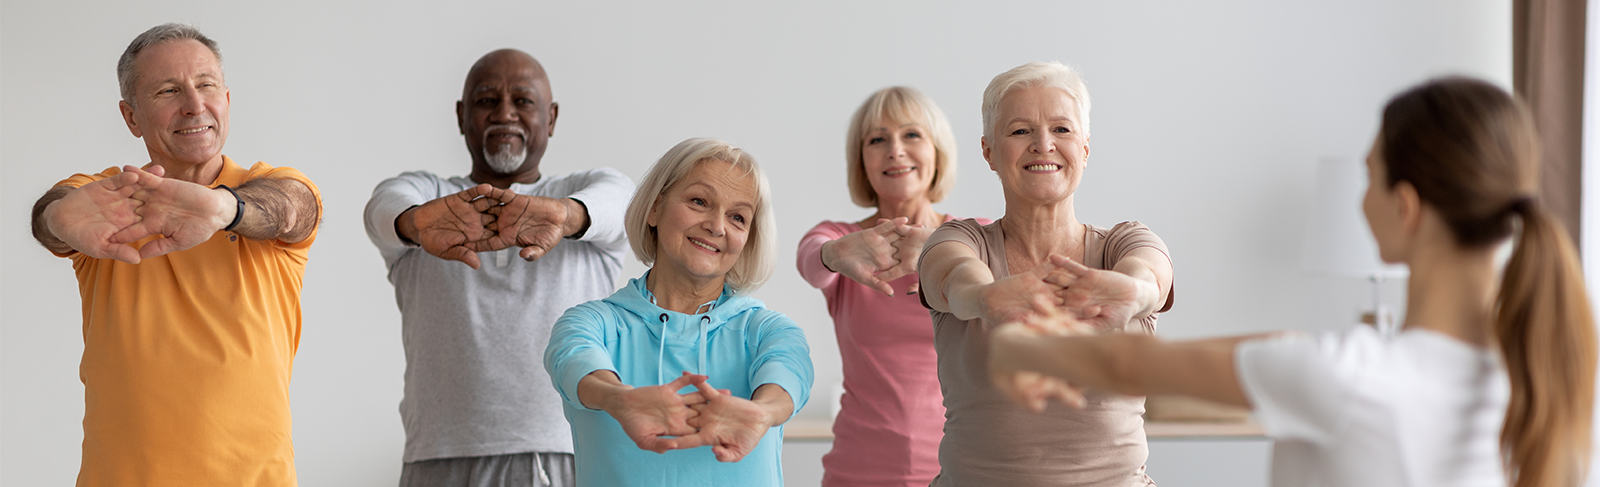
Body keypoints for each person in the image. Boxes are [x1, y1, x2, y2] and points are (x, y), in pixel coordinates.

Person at [988, 77, 1597, 487]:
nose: (1362, 200)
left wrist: (1018, 346)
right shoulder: (1549, 377)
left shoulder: (1345, 378)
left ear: (1405, 207)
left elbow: (1128, 363)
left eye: (1370, 176)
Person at [28, 23, 322, 486]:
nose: (194, 104)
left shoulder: (269, 188)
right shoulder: (107, 199)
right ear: (131, 117)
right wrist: (54, 218)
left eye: (207, 85)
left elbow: (294, 208)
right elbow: (56, 212)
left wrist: (225, 208)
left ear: (227, 100)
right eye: (168, 90)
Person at [362, 49, 633, 486]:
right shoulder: (428, 196)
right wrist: (417, 223)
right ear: (461, 116)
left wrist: (563, 215)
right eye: (487, 100)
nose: (505, 113)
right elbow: (381, 207)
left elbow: (623, 203)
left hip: (565, 452)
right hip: (438, 457)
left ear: (551, 117)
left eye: (522, 101)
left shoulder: (582, 194)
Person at [917, 61, 1175, 486]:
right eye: (1020, 131)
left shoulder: (1126, 242)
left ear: (1085, 149)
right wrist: (986, 299)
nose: (1043, 144)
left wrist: (1132, 293)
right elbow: (956, 277)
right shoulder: (960, 240)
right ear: (988, 151)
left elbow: (1149, 278)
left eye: (1061, 129)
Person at [545, 137, 813, 486]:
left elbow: (789, 378)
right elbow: (576, 365)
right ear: (655, 208)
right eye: (699, 201)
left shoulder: (769, 331)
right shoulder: (591, 323)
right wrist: (621, 401)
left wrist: (761, 414)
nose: (717, 226)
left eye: (737, 217)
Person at [796, 86, 979, 487]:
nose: (895, 150)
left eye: (911, 134)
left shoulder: (975, 238)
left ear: (938, 152)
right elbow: (810, 261)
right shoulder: (840, 238)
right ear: (861, 162)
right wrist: (835, 254)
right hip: (857, 472)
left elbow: (1011, 294)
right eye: (877, 140)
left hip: (963, 470)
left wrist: (935, 250)